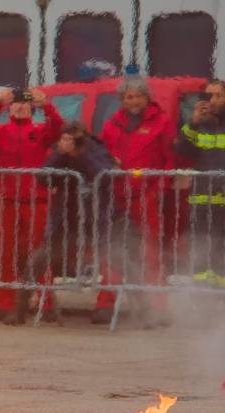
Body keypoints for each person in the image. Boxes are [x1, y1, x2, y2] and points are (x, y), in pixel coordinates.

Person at [0, 87, 64, 325]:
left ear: (31, 108)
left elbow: (58, 129)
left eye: (25, 104)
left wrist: (47, 105)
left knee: (39, 254)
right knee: (7, 254)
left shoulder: (39, 131)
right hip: (6, 201)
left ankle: (46, 302)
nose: (20, 107)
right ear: (10, 107)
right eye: (16, 103)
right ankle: (8, 303)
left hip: (36, 201)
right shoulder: (0, 131)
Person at [98, 74, 176, 327]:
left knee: (150, 251)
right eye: (128, 96)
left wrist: (159, 188)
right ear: (122, 99)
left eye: (138, 96)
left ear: (147, 97)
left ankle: (157, 305)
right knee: (111, 250)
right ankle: (106, 303)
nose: (133, 101)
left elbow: (169, 159)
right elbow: (101, 155)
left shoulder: (161, 122)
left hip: (146, 197)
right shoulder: (111, 125)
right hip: (115, 196)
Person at [25, 122, 118, 324]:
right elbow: (43, 176)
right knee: (43, 257)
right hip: (65, 217)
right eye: (65, 138)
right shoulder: (60, 153)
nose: (69, 142)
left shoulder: (95, 149)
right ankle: (35, 302)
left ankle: (107, 305)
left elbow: (103, 174)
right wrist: (60, 153)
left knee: (108, 258)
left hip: (94, 216)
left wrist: (80, 153)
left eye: (73, 138)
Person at [176, 79, 225, 288]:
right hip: (202, 197)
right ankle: (201, 297)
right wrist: (193, 123)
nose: (211, 100)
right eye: (208, 96)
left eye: (217, 96)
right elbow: (182, 152)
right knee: (200, 249)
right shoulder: (198, 124)